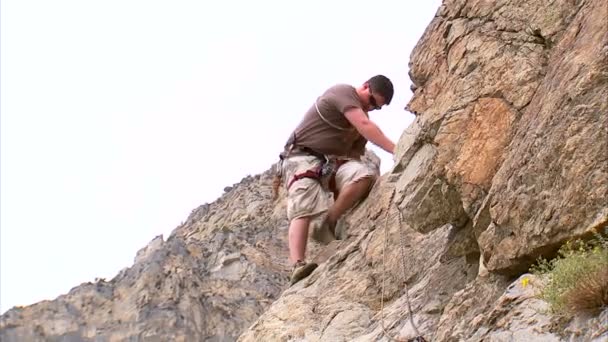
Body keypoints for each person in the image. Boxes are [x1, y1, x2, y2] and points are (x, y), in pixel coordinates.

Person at [276, 75, 397, 285]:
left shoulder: (355, 126)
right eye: (371, 101)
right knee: (303, 206)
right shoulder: (343, 93)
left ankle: (328, 222)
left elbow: (354, 157)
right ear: (365, 86)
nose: (371, 108)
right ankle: (298, 265)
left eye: (376, 107)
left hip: (328, 165)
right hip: (301, 157)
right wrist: (397, 149)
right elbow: (364, 124)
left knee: (364, 175)